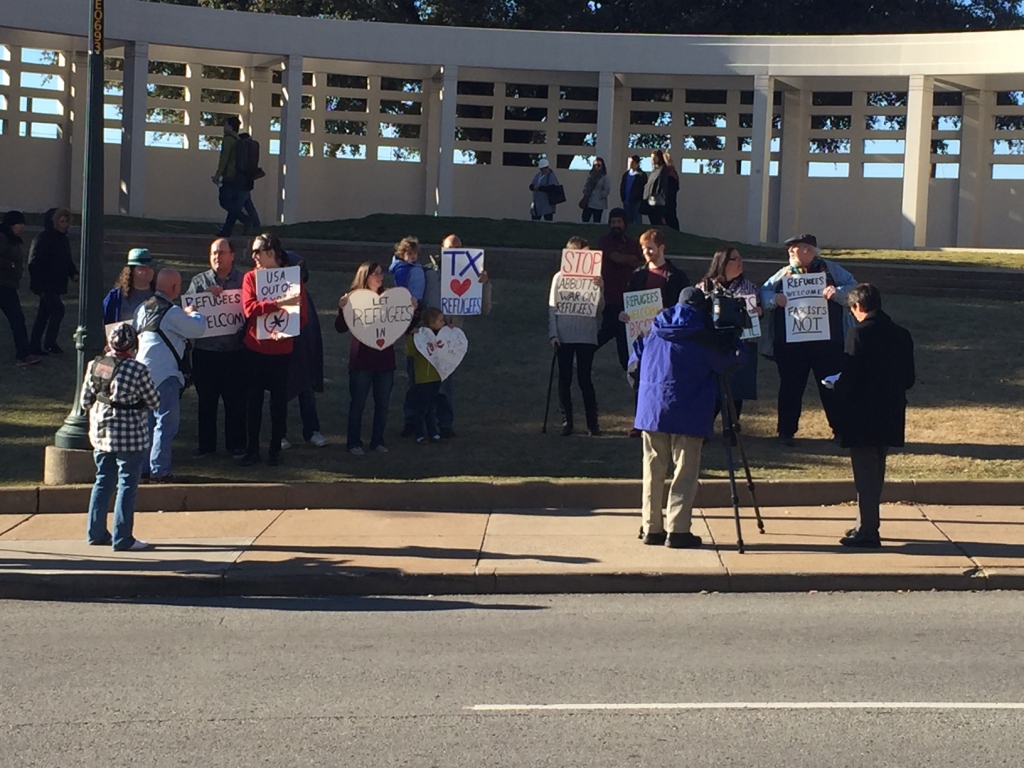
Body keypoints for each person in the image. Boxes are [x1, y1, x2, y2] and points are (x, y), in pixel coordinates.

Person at [629, 287, 745, 549]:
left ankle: (651, 527)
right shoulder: (703, 334)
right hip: (690, 410)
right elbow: (732, 361)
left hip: (652, 410)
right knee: (685, 470)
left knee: (652, 469)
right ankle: (678, 530)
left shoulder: (653, 327)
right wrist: (733, 336)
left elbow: (633, 362)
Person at [833, 284, 915, 549]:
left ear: (857, 307)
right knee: (876, 472)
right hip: (890, 411)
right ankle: (865, 523)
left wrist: (836, 385)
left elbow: (850, 374)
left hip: (862, 413)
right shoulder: (902, 334)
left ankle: (868, 531)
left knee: (865, 474)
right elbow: (909, 379)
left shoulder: (858, 334)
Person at [759, 233, 857, 446]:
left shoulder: (831, 270)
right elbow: (763, 292)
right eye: (790, 248)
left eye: (794, 248)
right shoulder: (784, 274)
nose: (790, 252)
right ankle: (786, 432)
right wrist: (774, 299)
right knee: (790, 387)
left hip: (828, 341)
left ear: (809, 250)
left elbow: (854, 288)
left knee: (832, 385)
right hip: (792, 344)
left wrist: (836, 292)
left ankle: (841, 430)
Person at [81, 323, 161, 551]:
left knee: (102, 482)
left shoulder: (96, 365)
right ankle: (123, 538)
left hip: (101, 435)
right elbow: (154, 401)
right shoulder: (137, 370)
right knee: (127, 485)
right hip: (130, 436)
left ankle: (95, 533)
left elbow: (85, 401)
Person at [417, 233, 492, 438]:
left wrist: (484, 284)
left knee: (445, 384)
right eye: (450, 249)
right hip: (426, 336)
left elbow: (484, 309)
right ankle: (415, 423)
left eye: (457, 249)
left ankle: (445, 424)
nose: (453, 253)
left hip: (450, 339)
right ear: (441, 249)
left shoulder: (472, 274)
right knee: (419, 383)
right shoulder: (428, 273)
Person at [240, 233, 306, 467]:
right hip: (255, 349)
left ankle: (275, 449)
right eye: (253, 251)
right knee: (253, 402)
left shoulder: (292, 279)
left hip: (281, 350)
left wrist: (287, 322)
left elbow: (303, 315)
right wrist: (277, 305)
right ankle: (252, 450)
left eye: (258, 251)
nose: (253, 256)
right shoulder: (250, 278)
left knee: (279, 403)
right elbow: (249, 309)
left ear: (272, 253)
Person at [135, 269, 206, 483]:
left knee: (146, 425)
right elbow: (198, 329)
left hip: (141, 373)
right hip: (165, 374)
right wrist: (193, 313)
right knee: (165, 424)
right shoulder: (172, 312)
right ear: (175, 288)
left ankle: (144, 469)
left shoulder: (142, 308)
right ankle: (160, 470)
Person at [620, 228, 689, 437]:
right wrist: (624, 314)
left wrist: (667, 313)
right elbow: (630, 302)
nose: (646, 252)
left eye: (650, 248)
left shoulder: (676, 277)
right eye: (643, 249)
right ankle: (639, 421)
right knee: (637, 374)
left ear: (661, 247)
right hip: (641, 337)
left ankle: (661, 421)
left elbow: (684, 309)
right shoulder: (638, 275)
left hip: (665, 338)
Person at [186, 238, 247, 459]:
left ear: (232, 255)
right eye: (213, 253)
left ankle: (237, 446)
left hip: (236, 352)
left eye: (221, 252)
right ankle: (206, 448)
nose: (216, 257)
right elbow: (186, 312)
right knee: (207, 402)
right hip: (206, 353)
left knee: (236, 401)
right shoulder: (199, 282)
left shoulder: (243, 281)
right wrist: (201, 301)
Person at [697, 247, 761, 430]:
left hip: (740, 343)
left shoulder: (748, 287)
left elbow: (756, 311)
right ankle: (704, 427)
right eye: (735, 259)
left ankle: (732, 427)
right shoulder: (704, 287)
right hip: (712, 345)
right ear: (723, 263)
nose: (740, 262)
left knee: (737, 388)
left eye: (741, 258)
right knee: (712, 388)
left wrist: (758, 312)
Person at [337, 262, 397, 455]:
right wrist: (342, 309)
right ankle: (353, 442)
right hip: (362, 360)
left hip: (385, 360)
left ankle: (377, 440)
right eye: (376, 274)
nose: (380, 277)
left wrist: (413, 310)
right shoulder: (354, 298)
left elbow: (401, 324)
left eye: (381, 273)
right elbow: (340, 327)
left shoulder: (389, 298)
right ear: (365, 276)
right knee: (358, 403)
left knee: (383, 404)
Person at [548, 236, 605, 437]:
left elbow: (599, 309)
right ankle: (567, 421)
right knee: (564, 379)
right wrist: (553, 334)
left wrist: (599, 287)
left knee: (584, 379)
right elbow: (552, 307)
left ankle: (593, 423)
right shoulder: (559, 277)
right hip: (564, 335)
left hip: (587, 336)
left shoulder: (595, 279)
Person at [284, 250, 328, 449]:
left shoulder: (305, 296)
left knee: (306, 390)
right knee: (282, 391)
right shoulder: (277, 292)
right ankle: (280, 433)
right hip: (283, 348)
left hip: (303, 348)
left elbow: (310, 327)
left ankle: (312, 430)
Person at [596, 209, 643, 371]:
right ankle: (585, 351)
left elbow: (640, 262)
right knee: (610, 330)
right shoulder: (604, 241)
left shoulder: (632, 243)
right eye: (613, 222)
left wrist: (630, 260)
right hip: (610, 295)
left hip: (629, 297)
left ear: (625, 224)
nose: (616, 225)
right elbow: (615, 257)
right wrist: (629, 259)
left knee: (620, 332)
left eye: (619, 222)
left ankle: (628, 364)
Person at [28, 207, 78, 355]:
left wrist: (73, 273)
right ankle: (49, 343)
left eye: (67, 221)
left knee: (44, 314)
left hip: (56, 283)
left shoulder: (63, 239)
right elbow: (34, 263)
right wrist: (39, 285)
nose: (65, 224)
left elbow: (66, 260)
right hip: (45, 284)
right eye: (61, 221)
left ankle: (36, 345)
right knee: (57, 310)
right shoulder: (43, 238)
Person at [0, 210, 40, 367]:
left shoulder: (12, 239)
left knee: (17, 320)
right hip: (3, 286)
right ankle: (23, 355)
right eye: (19, 223)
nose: (22, 227)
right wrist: (11, 266)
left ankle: (23, 353)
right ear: (11, 225)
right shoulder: (3, 238)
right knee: (17, 319)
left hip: (8, 285)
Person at [404, 307, 447, 444]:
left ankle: (432, 431)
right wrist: (412, 336)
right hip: (422, 379)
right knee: (421, 408)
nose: (443, 323)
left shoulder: (443, 335)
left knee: (432, 407)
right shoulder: (420, 335)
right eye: (440, 320)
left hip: (436, 378)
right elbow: (410, 352)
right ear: (432, 322)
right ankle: (419, 434)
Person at [212, 116, 248, 237]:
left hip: (230, 176)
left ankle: (245, 219)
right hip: (239, 176)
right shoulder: (239, 139)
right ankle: (227, 230)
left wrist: (218, 175)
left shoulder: (228, 140)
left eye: (225, 125)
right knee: (233, 203)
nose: (224, 127)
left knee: (224, 201)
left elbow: (224, 159)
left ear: (231, 127)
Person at [103, 248, 156, 325]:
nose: (148, 271)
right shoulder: (115, 297)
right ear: (131, 271)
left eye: (150, 267)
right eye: (142, 268)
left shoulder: (159, 295)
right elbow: (104, 322)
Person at [389, 235, 425, 303]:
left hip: (418, 298)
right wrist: (407, 299)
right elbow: (401, 287)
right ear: (402, 254)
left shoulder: (416, 266)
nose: (413, 256)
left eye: (415, 253)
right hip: (409, 300)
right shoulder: (402, 269)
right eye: (409, 254)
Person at [580, 157, 611, 223]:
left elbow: (606, 189)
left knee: (597, 220)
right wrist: (586, 193)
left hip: (599, 203)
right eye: (595, 165)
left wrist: (600, 196)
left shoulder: (605, 177)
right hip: (589, 201)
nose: (596, 167)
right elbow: (586, 186)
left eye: (599, 165)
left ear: (602, 166)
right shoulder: (590, 175)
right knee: (585, 219)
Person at [641, 149, 667, 225]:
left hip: (657, 199)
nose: (652, 160)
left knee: (657, 219)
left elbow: (662, 184)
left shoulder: (662, 169)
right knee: (652, 218)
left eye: (654, 158)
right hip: (650, 198)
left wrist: (657, 195)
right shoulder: (654, 170)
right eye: (651, 158)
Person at [619, 155, 647, 225]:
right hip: (626, 201)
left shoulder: (641, 175)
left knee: (637, 219)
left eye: (632, 162)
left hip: (636, 201)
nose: (630, 164)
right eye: (629, 162)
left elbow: (644, 183)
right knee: (628, 219)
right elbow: (622, 186)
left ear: (636, 163)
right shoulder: (626, 174)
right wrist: (623, 197)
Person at [662, 151, 681, 231]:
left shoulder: (668, 173)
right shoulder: (673, 172)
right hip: (671, 199)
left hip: (668, 199)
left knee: (669, 215)